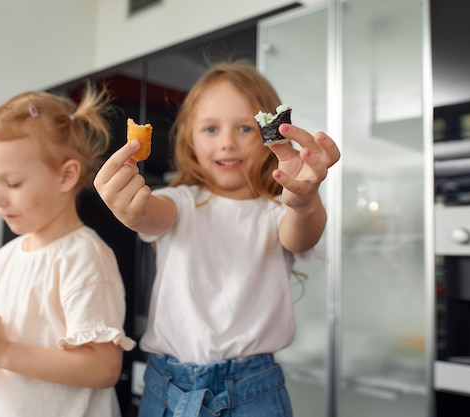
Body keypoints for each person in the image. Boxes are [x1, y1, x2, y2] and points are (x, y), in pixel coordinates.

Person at [93, 60, 340, 417]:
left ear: (272, 133)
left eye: (244, 127)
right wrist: (132, 210)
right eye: (210, 129)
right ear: (189, 138)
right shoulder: (180, 203)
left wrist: (303, 201)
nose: (227, 142)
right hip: (166, 389)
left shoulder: (277, 213)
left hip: (253, 393)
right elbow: (151, 213)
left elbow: (301, 236)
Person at [0, 86, 136, 417]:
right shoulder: (9, 255)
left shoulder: (84, 257)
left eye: (12, 183)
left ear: (66, 175)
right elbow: (3, 332)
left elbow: (103, 368)